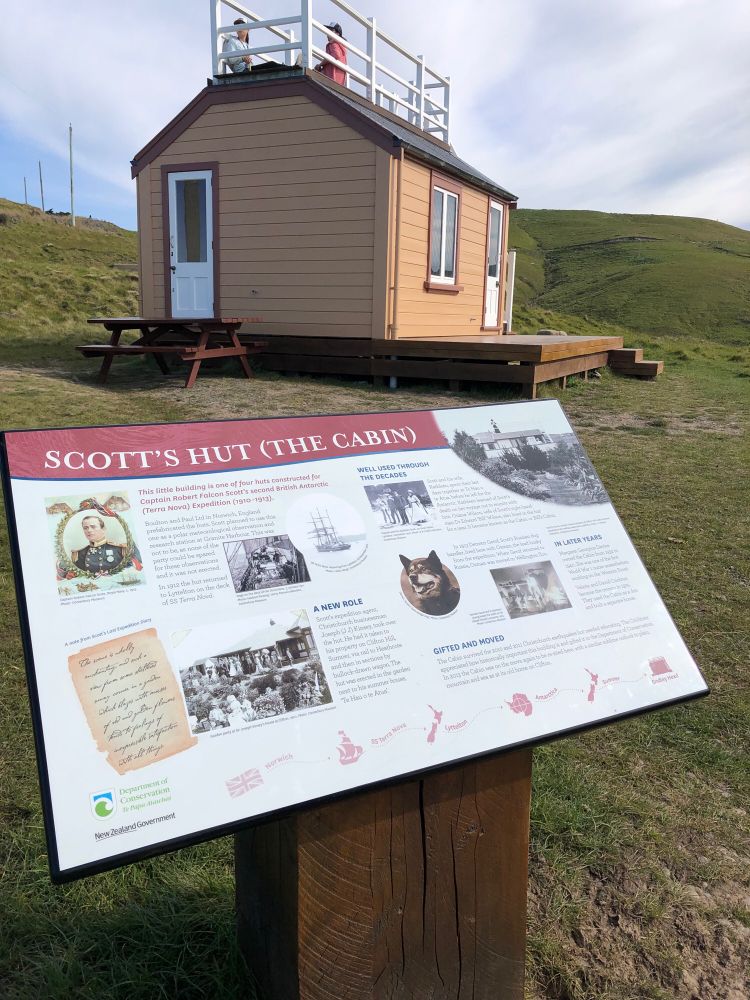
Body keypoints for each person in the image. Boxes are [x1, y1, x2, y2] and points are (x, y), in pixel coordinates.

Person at [70, 515, 142, 575]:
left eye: (93, 527)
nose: (89, 530)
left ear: (103, 529)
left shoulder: (120, 549)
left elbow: (134, 570)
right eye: (85, 528)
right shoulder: (79, 554)